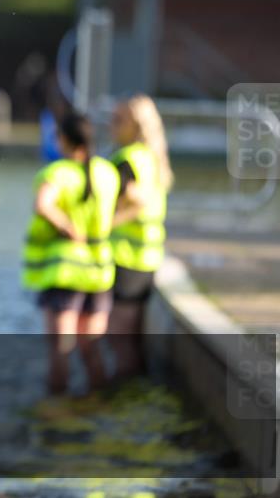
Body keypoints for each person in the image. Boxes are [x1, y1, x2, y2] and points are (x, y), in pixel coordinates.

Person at [22, 113, 119, 395]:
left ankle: (57, 415)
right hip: (99, 271)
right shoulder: (107, 172)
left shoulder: (58, 172)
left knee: (61, 351)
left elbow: (43, 205)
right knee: (91, 348)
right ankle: (98, 406)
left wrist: (67, 226)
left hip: (64, 272)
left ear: (63, 140)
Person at [107, 95, 172, 378]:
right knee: (131, 338)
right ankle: (134, 397)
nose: (112, 126)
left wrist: (105, 225)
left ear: (134, 125)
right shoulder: (152, 157)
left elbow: (139, 200)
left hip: (127, 260)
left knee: (119, 337)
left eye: (118, 120)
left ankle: (123, 396)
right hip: (147, 257)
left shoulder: (128, 159)